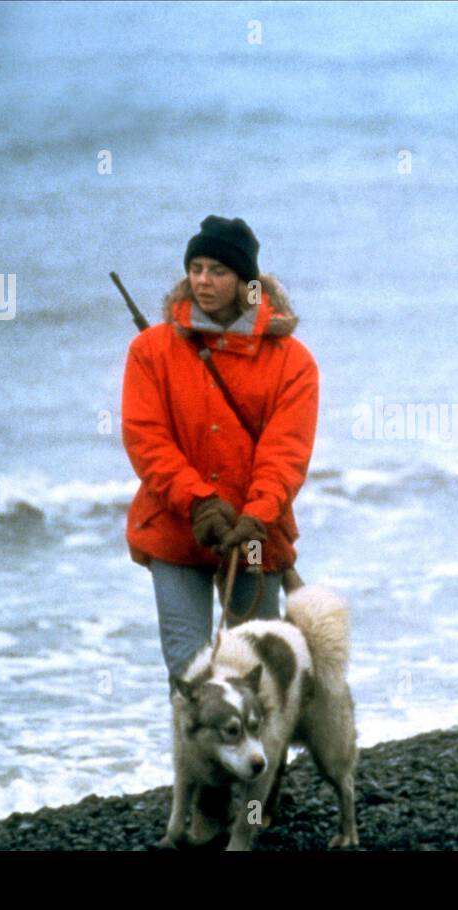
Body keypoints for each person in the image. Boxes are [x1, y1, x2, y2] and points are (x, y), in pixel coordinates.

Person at [122, 215, 319, 679]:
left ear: (246, 282)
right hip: (178, 531)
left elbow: (287, 451)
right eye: (196, 268)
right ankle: (196, 754)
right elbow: (145, 438)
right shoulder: (151, 350)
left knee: (253, 665)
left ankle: (263, 755)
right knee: (190, 672)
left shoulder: (292, 360)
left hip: (254, 539)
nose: (203, 280)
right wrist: (199, 502)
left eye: (218, 270)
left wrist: (256, 516)